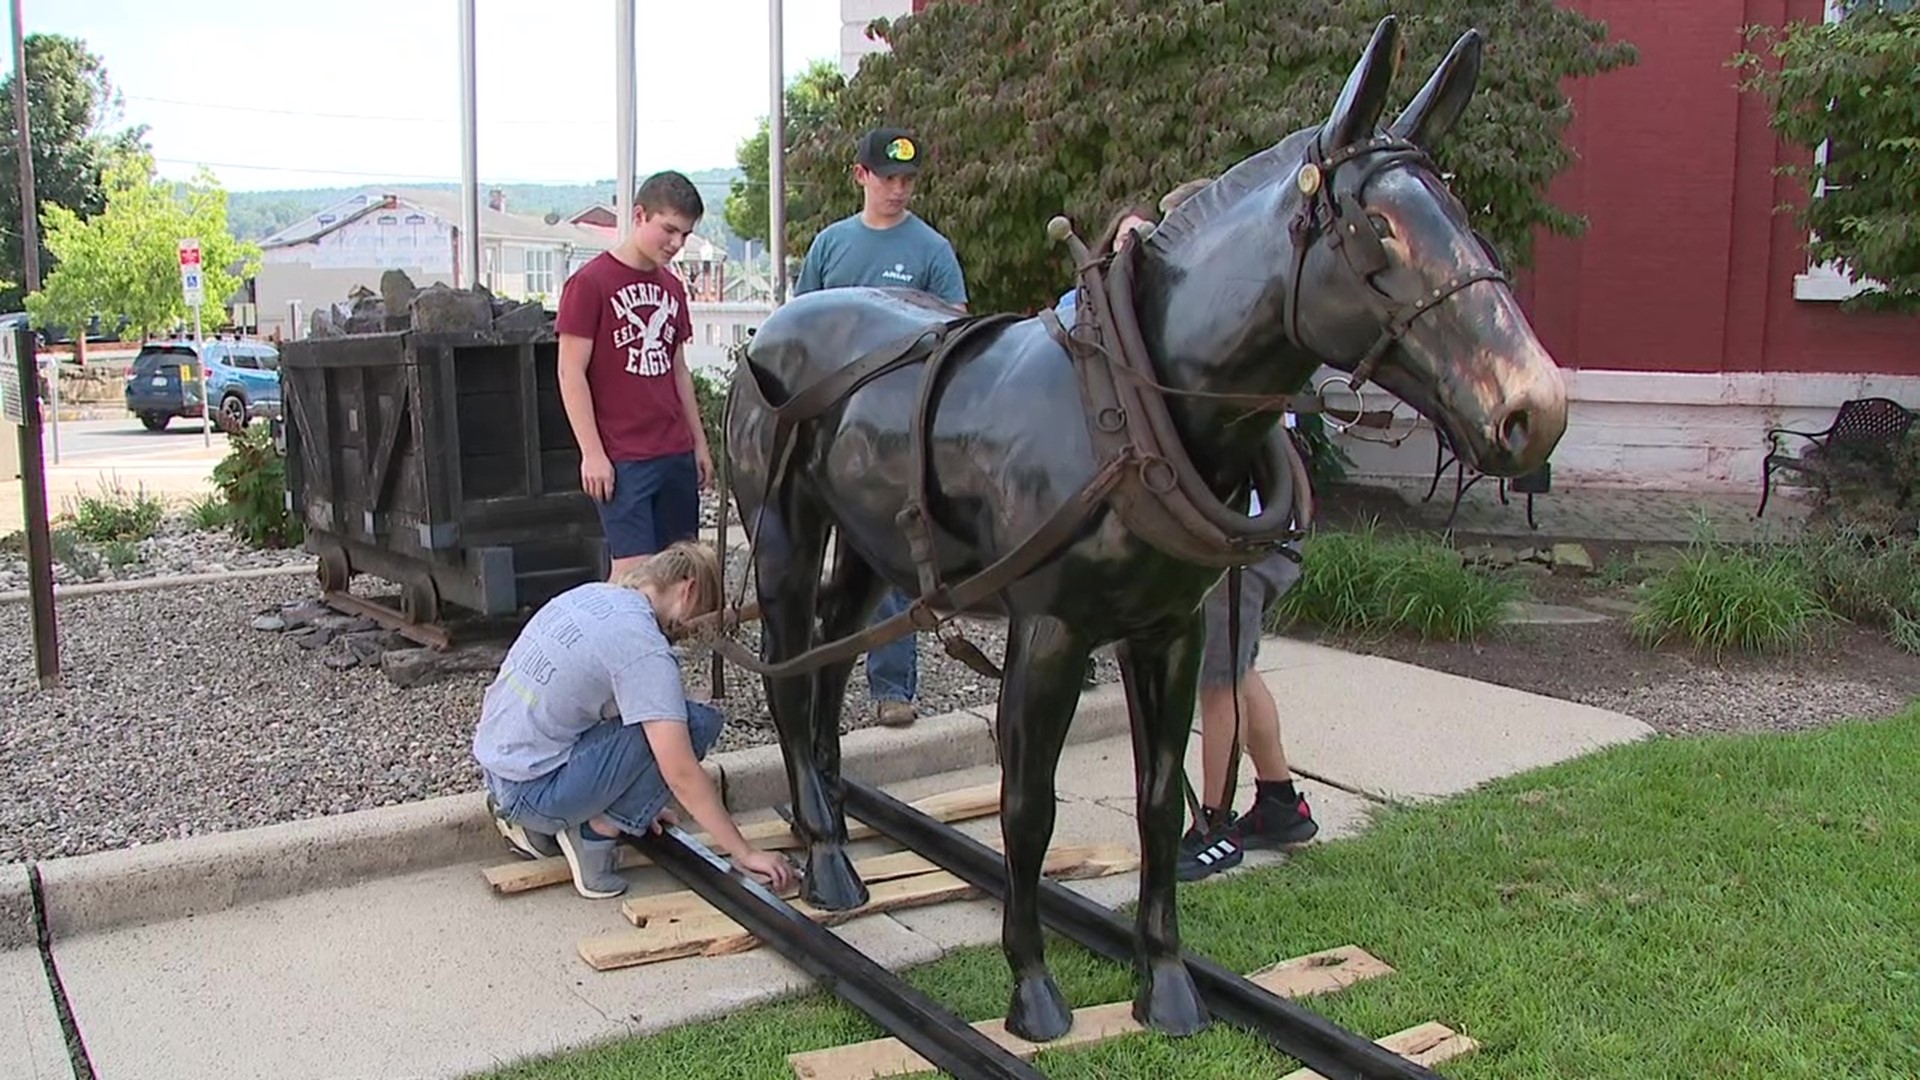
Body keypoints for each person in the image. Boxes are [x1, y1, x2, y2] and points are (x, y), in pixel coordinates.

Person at [472, 540, 797, 900]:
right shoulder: (643, 648)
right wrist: (745, 852)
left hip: (503, 774)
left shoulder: (594, 596)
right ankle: (596, 835)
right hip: (536, 792)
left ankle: (539, 825)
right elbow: (682, 773)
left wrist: (641, 794)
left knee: (656, 719)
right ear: (687, 592)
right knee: (694, 723)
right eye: (698, 616)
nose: (688, 632)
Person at [793, 126, 970, 729]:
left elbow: (956, 332)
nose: (898, 190)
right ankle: (806, 690)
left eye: (907, 180)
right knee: (805, 552)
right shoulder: (830, 246)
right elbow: (799, 328)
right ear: (860, 176)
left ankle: (892, 688)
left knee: (892, 556)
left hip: (896, 433)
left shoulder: (931, 251)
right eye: (887, 178)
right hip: (829, 427)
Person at [557, 170, 715, 582]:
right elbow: (570, 371)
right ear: (640, 215)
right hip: (624, 456)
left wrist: (699, 443)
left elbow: (678, 369)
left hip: (674, 450)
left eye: (685, 234)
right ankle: (613, 647)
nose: (676, 243)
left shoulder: (673, 288)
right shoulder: (590, 283)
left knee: (679, 573)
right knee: (633, 574)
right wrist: (592, 452)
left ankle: (662, 649)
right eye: (669, 230)